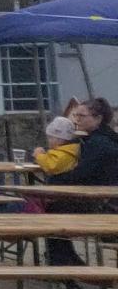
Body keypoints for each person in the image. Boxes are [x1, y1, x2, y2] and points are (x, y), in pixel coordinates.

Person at [39, 97, 118, 266]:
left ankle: (63, 263)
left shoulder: (100, 143)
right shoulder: (99, 138)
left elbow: (82, 174)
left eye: (82, 116)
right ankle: (66, 260)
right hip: (103, 199)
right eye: (76, 115)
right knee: (55, 207)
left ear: (98, 118)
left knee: (54, 211)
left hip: (106, 205)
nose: (77, 119)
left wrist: (55, 181)